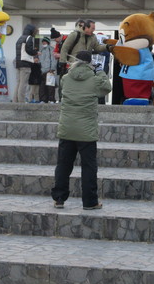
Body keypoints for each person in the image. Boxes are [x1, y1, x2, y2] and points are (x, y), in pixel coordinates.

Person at [51, 50, 112, 210]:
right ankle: (90, 202)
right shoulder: (94, 80)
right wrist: (100, 72)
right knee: (89, 167)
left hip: (67, 128)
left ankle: (59, 199)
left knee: (63, 165)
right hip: (86, 132)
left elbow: (62, 91)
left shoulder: (65, 78)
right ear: (90, 62)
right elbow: (107, 87)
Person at [13, 24, 38, 103]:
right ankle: (21, 101)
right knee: (23, 83)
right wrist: (36, 52)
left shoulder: (20, 38)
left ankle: (15, 100)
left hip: (18, 63)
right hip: (25, 64)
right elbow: (29, 50)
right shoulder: (29, 38)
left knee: (18, 83)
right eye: (35, 31)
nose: (35, 33)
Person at [38, 36, 57, 103]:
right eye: (42, 42)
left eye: (44, 42)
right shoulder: (41, 50)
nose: (43, 43)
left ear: (48, 42)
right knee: (42, 87)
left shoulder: (51, 49)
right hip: (42, 71)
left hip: (49, 70)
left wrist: (52, 68)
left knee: (50, 86)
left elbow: (53, 60)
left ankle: (51, 99)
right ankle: (43, 99)